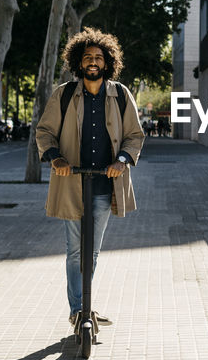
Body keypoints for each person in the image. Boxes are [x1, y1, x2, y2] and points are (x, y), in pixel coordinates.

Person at [35, 27, 145, 328]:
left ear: (107, 62)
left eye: (98, 57)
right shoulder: (65, 94)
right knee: (74, 251)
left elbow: (135, 135)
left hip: (104, 185)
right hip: (72, 183)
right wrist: (55, 157)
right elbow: (44, 132)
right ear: (78, 62)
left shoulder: (121, 95)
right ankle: (78, 311)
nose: (93, 62)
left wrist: (121, 161)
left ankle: (86, 306)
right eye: (87, 57)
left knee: (92, 251)